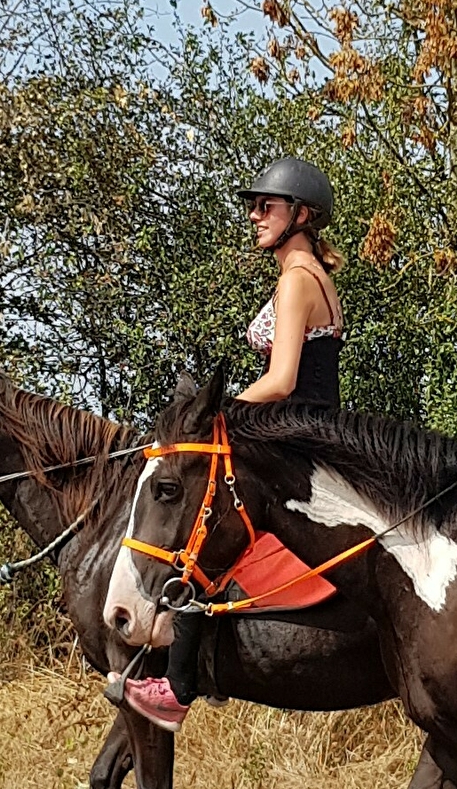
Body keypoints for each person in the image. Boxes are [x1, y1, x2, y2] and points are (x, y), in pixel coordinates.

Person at [153, 156, 346, 729]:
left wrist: (222, 415)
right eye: (253, 206)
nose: (255, 216)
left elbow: (283, 378)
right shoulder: (315, 277)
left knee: (197, 514)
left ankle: (180, 682)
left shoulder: (296, 279)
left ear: (302, 215)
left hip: (291, 430)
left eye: (268, 206)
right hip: (312, 427)